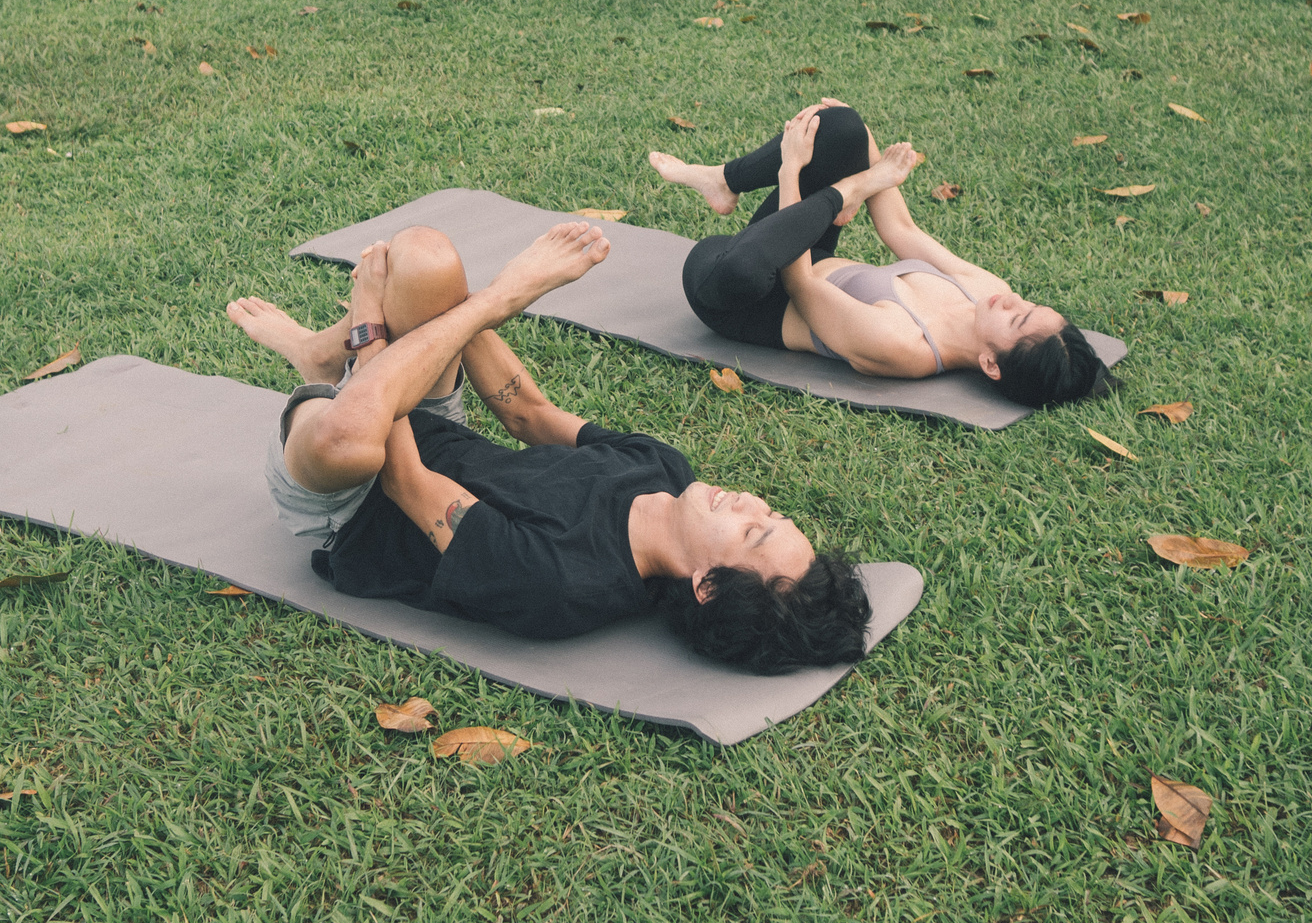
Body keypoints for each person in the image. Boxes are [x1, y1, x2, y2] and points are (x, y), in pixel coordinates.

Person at [226, 220, 870, 675]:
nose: (751, 504)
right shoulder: (664, 469)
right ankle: (322, 354)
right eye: (772, 513)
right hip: (429, 420)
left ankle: (327, 364)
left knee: (350, 440)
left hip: (354, 496)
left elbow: (405, 482)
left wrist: (374, 325)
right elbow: (529, 414)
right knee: (424, 257)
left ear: (706, 586)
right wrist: (468, 304)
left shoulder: (563, 584)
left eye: (752, 532)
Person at [649, 102, 1101, 408]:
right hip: (809, 243)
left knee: (746, 267)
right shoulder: (987, 292)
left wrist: (792, 171)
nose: (1012, 301)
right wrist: (859, 133)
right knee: (841, 124)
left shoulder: (904, 346)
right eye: (1030, 305)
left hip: (738, 290)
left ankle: (846, 190)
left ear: (990, 364)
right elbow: (900, 229)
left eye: (1017, 319)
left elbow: (799, 283)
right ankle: (725, 181)